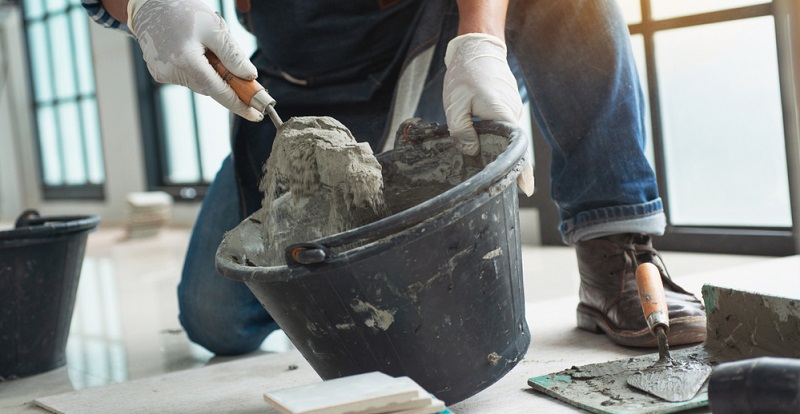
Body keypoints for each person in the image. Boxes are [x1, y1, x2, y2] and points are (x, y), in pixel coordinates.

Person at [85, 0, 706, 355]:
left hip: (440, 44)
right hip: (307, 87)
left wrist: (482, 39)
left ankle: (614, 254)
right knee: (215, 318)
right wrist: (145, 5)